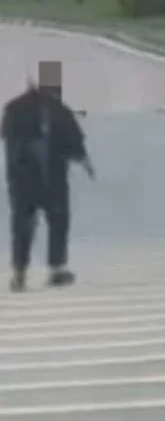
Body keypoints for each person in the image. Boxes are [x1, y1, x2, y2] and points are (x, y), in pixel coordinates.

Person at [3, 81, 94, 293]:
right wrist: (84, 160)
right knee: (58, 221)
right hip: (52, 178)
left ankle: (19, 272)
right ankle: (56, 269)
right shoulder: (58, 108)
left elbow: (5, 136)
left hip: (20, 179)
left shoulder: (12, 109)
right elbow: (74, 139)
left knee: (22, 224)